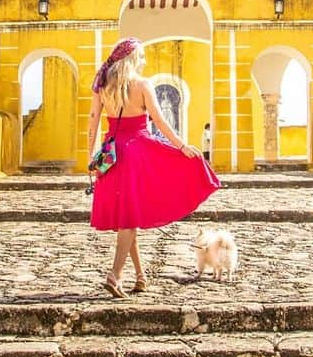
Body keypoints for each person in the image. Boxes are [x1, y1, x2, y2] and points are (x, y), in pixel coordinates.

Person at [88, 37, 220, 298]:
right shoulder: (142, 85)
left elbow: (93, 120)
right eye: (142, 56)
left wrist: (90, 156)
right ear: (132, 59)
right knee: (128, 217)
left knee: (128, 215)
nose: (145, 60)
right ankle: (115, 275)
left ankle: (140, 276)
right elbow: (159, 122)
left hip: (110, 153)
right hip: (137, 152)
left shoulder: (103, 86)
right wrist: (181, 146)